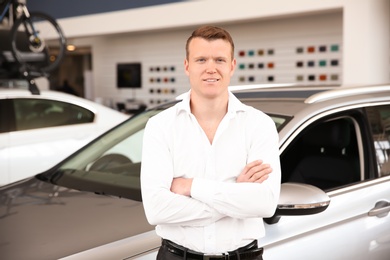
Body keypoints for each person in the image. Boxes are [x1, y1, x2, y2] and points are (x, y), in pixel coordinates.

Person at [141, 25, 281, 260]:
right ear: (187, 66)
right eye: (201, 59)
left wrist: (192, 186)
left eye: (219, 60)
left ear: (232, 66)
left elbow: (265, 204)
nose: (210, 68)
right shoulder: (160, 126)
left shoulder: (260, 124)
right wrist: (236, 195)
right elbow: (157, 209)